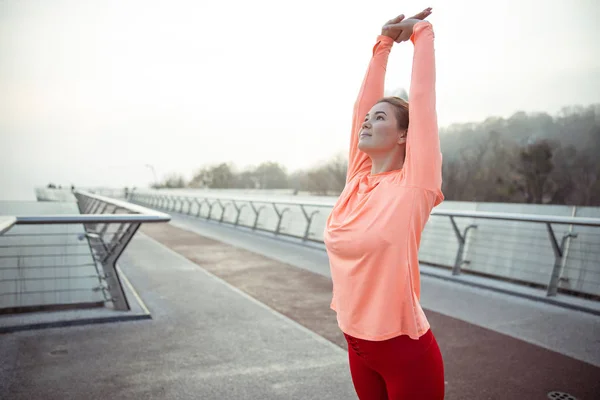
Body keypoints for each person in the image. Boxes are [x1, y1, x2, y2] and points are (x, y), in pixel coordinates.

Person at [323, 7, 445, 400]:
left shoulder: (415, 185)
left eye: (380, 119)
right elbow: (361, 106)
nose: (367, 122)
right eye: (367, 119)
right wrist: (383, 46)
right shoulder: (357, 180)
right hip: (358, 348)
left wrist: (420, 35)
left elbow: (423, 103)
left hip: (405, 353)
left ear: (405, 136)